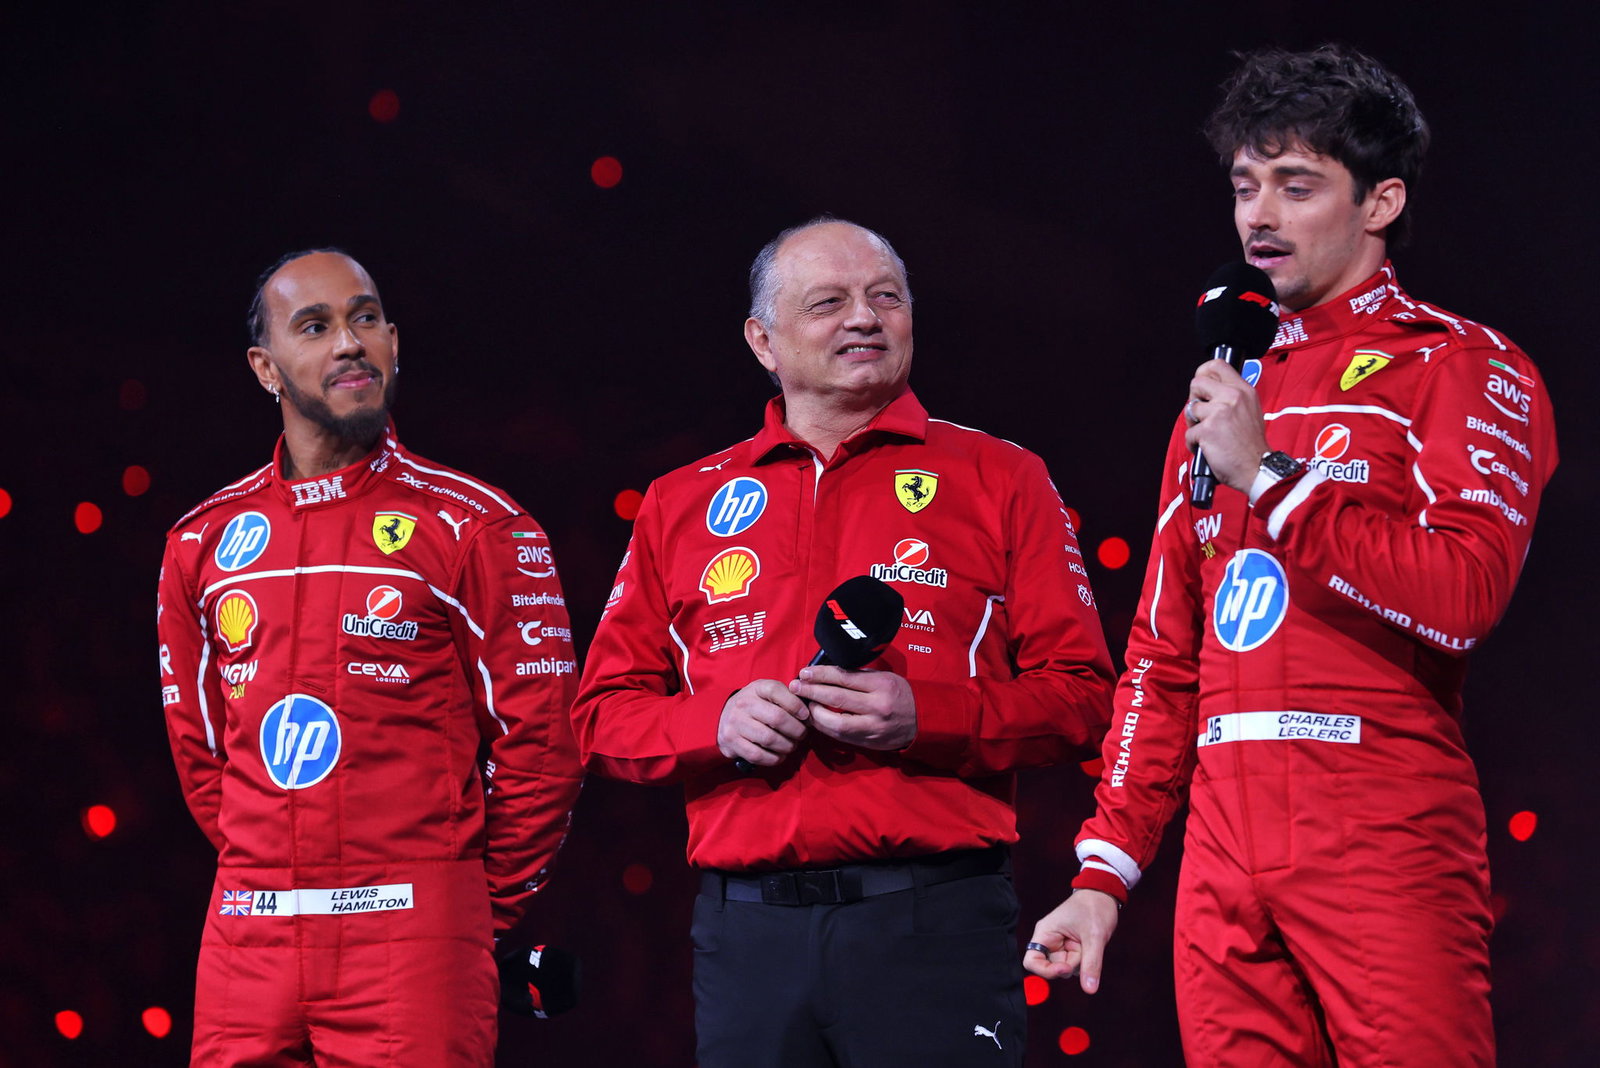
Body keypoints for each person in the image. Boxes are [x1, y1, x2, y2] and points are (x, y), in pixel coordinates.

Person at [1024, 45, 1558, 1066]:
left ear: (1381, 201)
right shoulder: (1223, 396)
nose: (1258, 217)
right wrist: (1104, 875)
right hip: (1221, 846)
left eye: (1296, 185)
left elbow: (1465, 595)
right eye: (1244, 186)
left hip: (1380, 821)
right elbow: (1163, 658)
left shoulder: (1458, 364)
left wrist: (1268, 475)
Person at [571, 217, 1115, 1066]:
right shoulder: (680, 502)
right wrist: (713, 724)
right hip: (745, 938)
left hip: (934, 924)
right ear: (763, 341)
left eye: (885, 297)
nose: (865, 317)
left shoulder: (1003, 477)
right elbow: (601, 716)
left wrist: (927, 717)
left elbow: (1083, 698)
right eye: (828, 302)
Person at [157, 249, 585, 1065]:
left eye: (365, 319)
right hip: (247, 941)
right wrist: (271, 875)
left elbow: (545, 746)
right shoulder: (200, 541)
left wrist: (461, 909)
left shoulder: (478, 527)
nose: (350, 342)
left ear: (394, 340)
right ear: (265, 369)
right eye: (315, 327)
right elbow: (202, 754)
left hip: (414, 942)